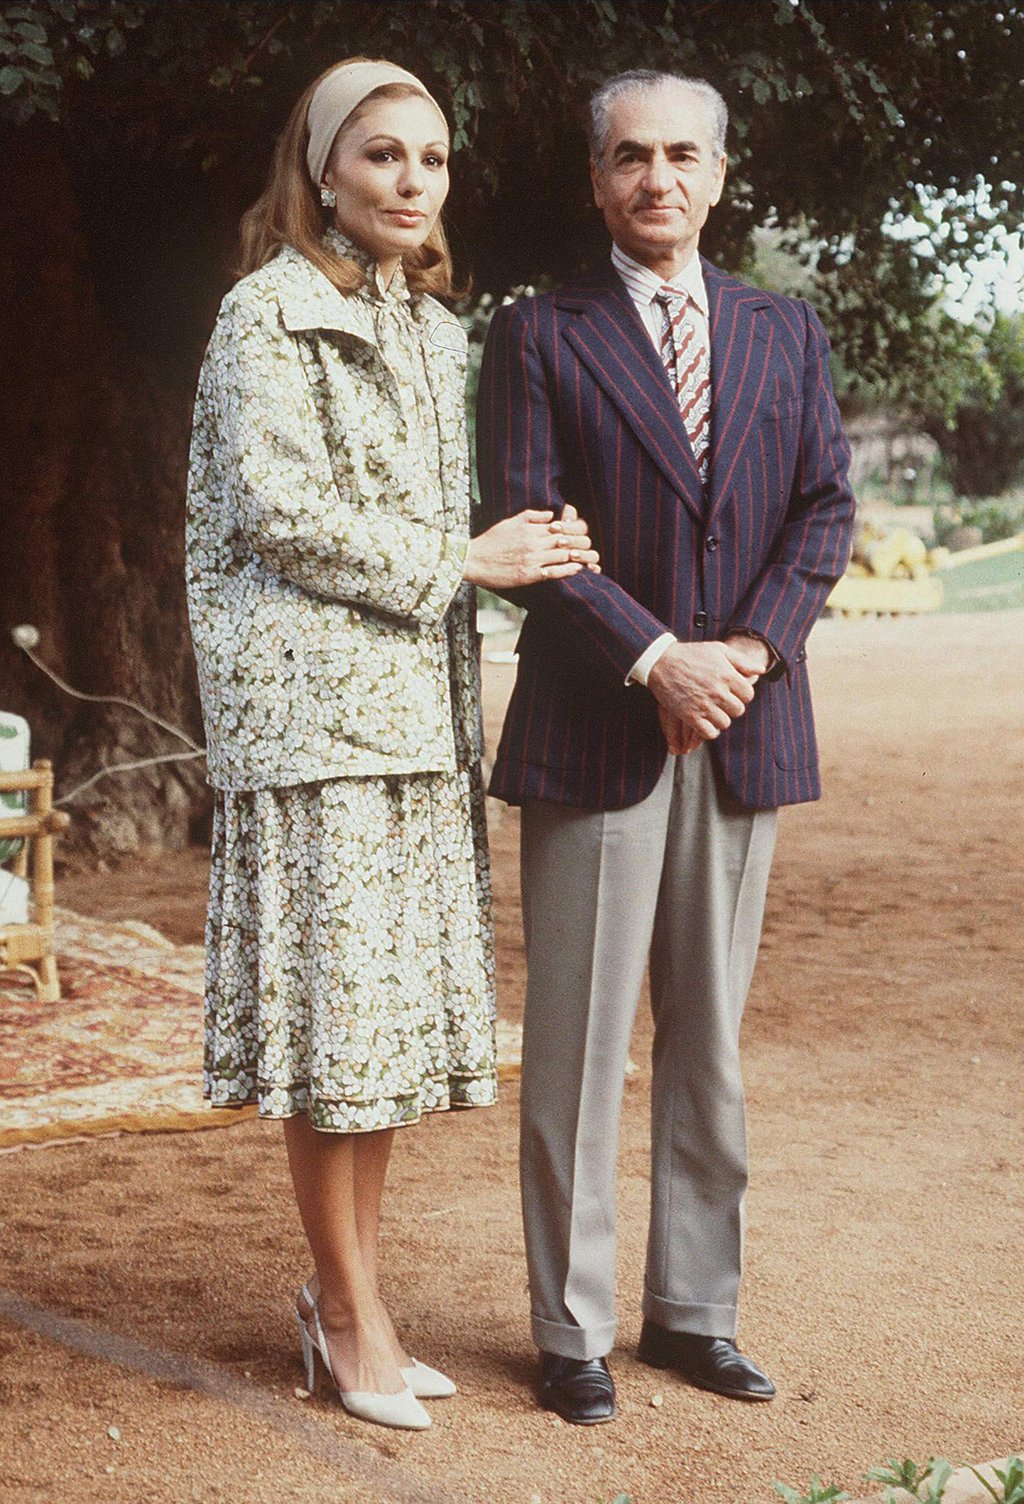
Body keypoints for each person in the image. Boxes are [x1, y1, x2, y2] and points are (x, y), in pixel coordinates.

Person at [185, 56, 597, 1433]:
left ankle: (350, 1302)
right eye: (381, 157)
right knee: (335, 1037)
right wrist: (465, 559)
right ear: (322, 172)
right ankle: (351, 1315)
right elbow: (276, 509)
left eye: (429, 158)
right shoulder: (266, 316)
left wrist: (536, 546)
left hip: (418, 719)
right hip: (310, 724)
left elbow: (473, 517)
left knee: (383, 1040)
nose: (411, 181)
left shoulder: (435, 324)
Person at [476, 68, 855, 1424]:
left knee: (710, 1045)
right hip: (599, 721)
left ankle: (694, 1315)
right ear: (596, 180)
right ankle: (570, 1331)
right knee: (579, 1047)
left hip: (744, 724)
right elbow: (529, 528)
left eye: (682, 154)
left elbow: (823, 508)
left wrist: (744, 656)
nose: (658, 178)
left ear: (719, 170)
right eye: (630, 156)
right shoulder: (537, 335)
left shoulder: (784, 329)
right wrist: (657, 659)